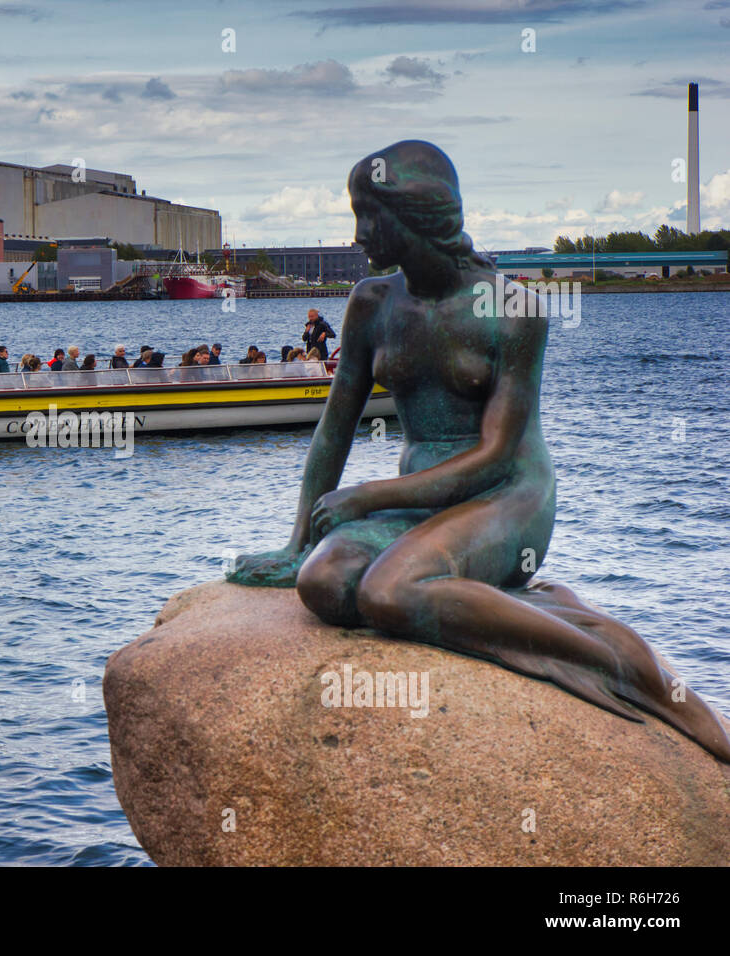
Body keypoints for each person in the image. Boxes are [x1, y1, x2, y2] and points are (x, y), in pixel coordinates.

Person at [224, 139, 730, 764]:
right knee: (323, 582)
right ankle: (513, 604)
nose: (357, 234)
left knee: (388, 592)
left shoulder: (512, 308)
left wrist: (369, 497)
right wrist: (298, 541)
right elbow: (335, 428)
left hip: (506, 494)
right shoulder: (371, 303)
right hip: (421, 503)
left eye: (368, 214)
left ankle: (625, 662)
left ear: (417, 215)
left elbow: (495, 455)